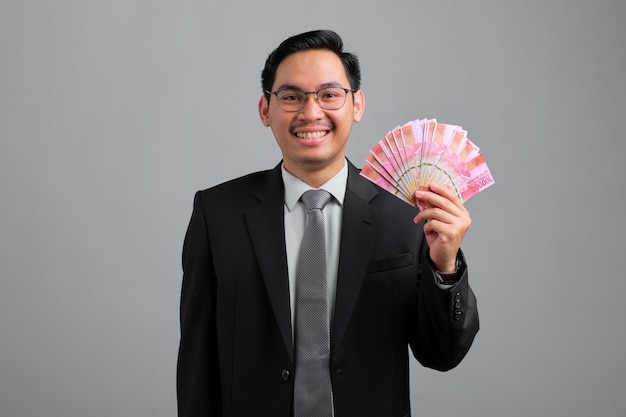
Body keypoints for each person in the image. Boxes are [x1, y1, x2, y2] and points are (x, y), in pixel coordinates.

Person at [177, 29, 479, 417]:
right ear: (265, 110)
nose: (311, 112)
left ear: (357, 105)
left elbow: (443, 354)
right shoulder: (217, 214)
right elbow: (197, 365)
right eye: (291, 97)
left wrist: (446, 267)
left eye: (329, 95)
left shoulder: (407, 215)